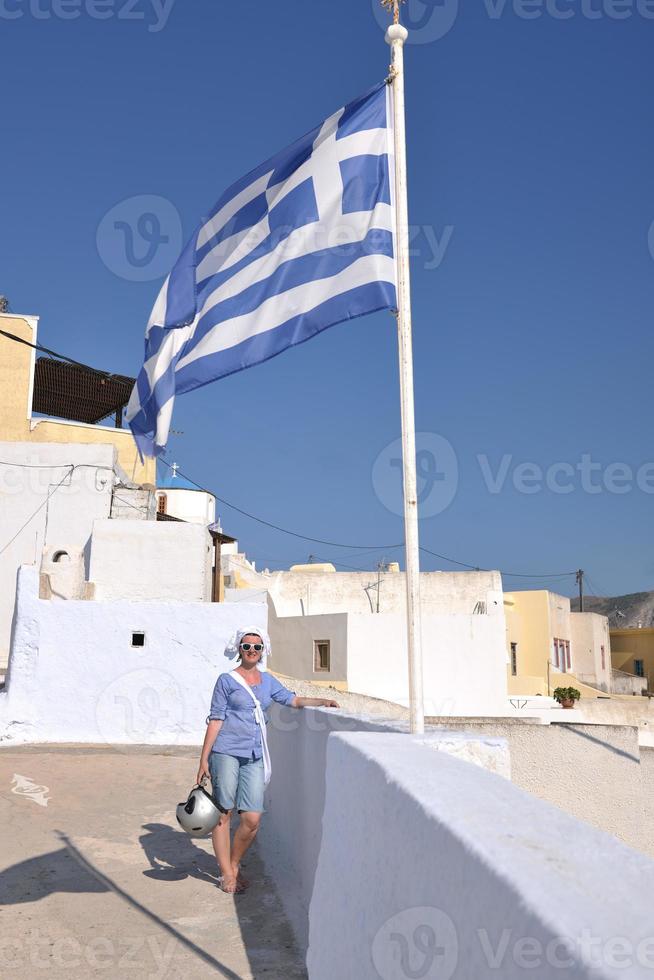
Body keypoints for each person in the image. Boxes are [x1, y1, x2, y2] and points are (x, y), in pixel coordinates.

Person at [197, 626, 339, 893]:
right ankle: (227, 873)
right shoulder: (226, 681)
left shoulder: (268, 681)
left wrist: (322, 701)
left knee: (252, 818)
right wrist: (203, 759)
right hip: (225, 751)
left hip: (254, 754)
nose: (252, 650)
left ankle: (235, 863)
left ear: (263, 651)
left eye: (257, 647)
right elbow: (216, 719)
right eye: (247, 646)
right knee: (222, 813)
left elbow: (292, 699)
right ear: (239, 649)